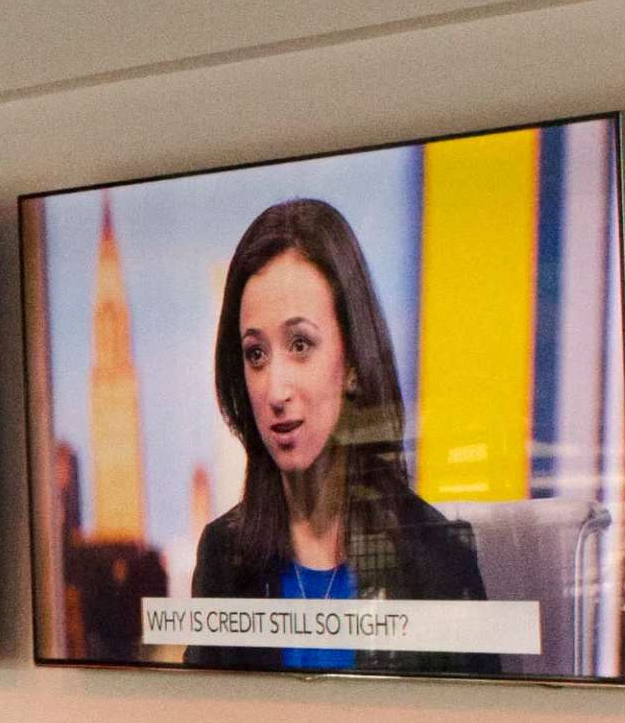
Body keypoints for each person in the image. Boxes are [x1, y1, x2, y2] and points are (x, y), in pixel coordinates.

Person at [190, 198, 492, 675]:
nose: (275, 389)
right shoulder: (224, 558)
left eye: (301, 345)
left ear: (352, 362)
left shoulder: (437, 559)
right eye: (255, 354)